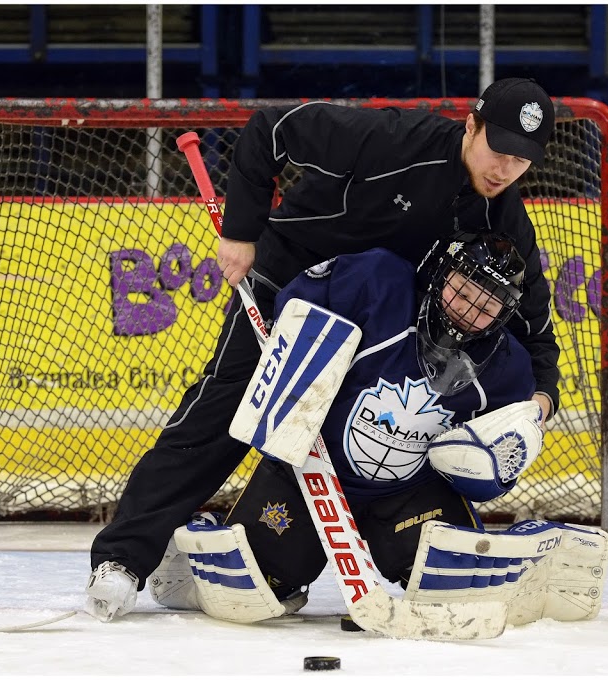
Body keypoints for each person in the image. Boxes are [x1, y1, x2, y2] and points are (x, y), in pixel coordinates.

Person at [86, 77, 562, 622]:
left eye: (521, 161)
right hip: (289, 292)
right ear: (470, 126)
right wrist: (241, 232)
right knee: (224, 414)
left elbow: (534, 329)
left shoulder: (504, 218)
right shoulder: (391, 141)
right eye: (497, 150)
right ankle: (122, 559)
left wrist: (538, 406)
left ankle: (322, 548)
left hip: (378, 323)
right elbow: (271, 130)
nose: (505, 170)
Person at [153, 233, 537, 616]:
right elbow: (297, 304)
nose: (467, 312)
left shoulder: (508, 368)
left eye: (487, 306)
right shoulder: (379, 282)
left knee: (455, 580)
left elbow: (496, 464)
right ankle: (200, 533)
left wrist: (486, 470)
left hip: (410, 494)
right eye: (463, 293)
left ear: (505, 313)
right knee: (250, 589)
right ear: (440, 274)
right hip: (311, 471)